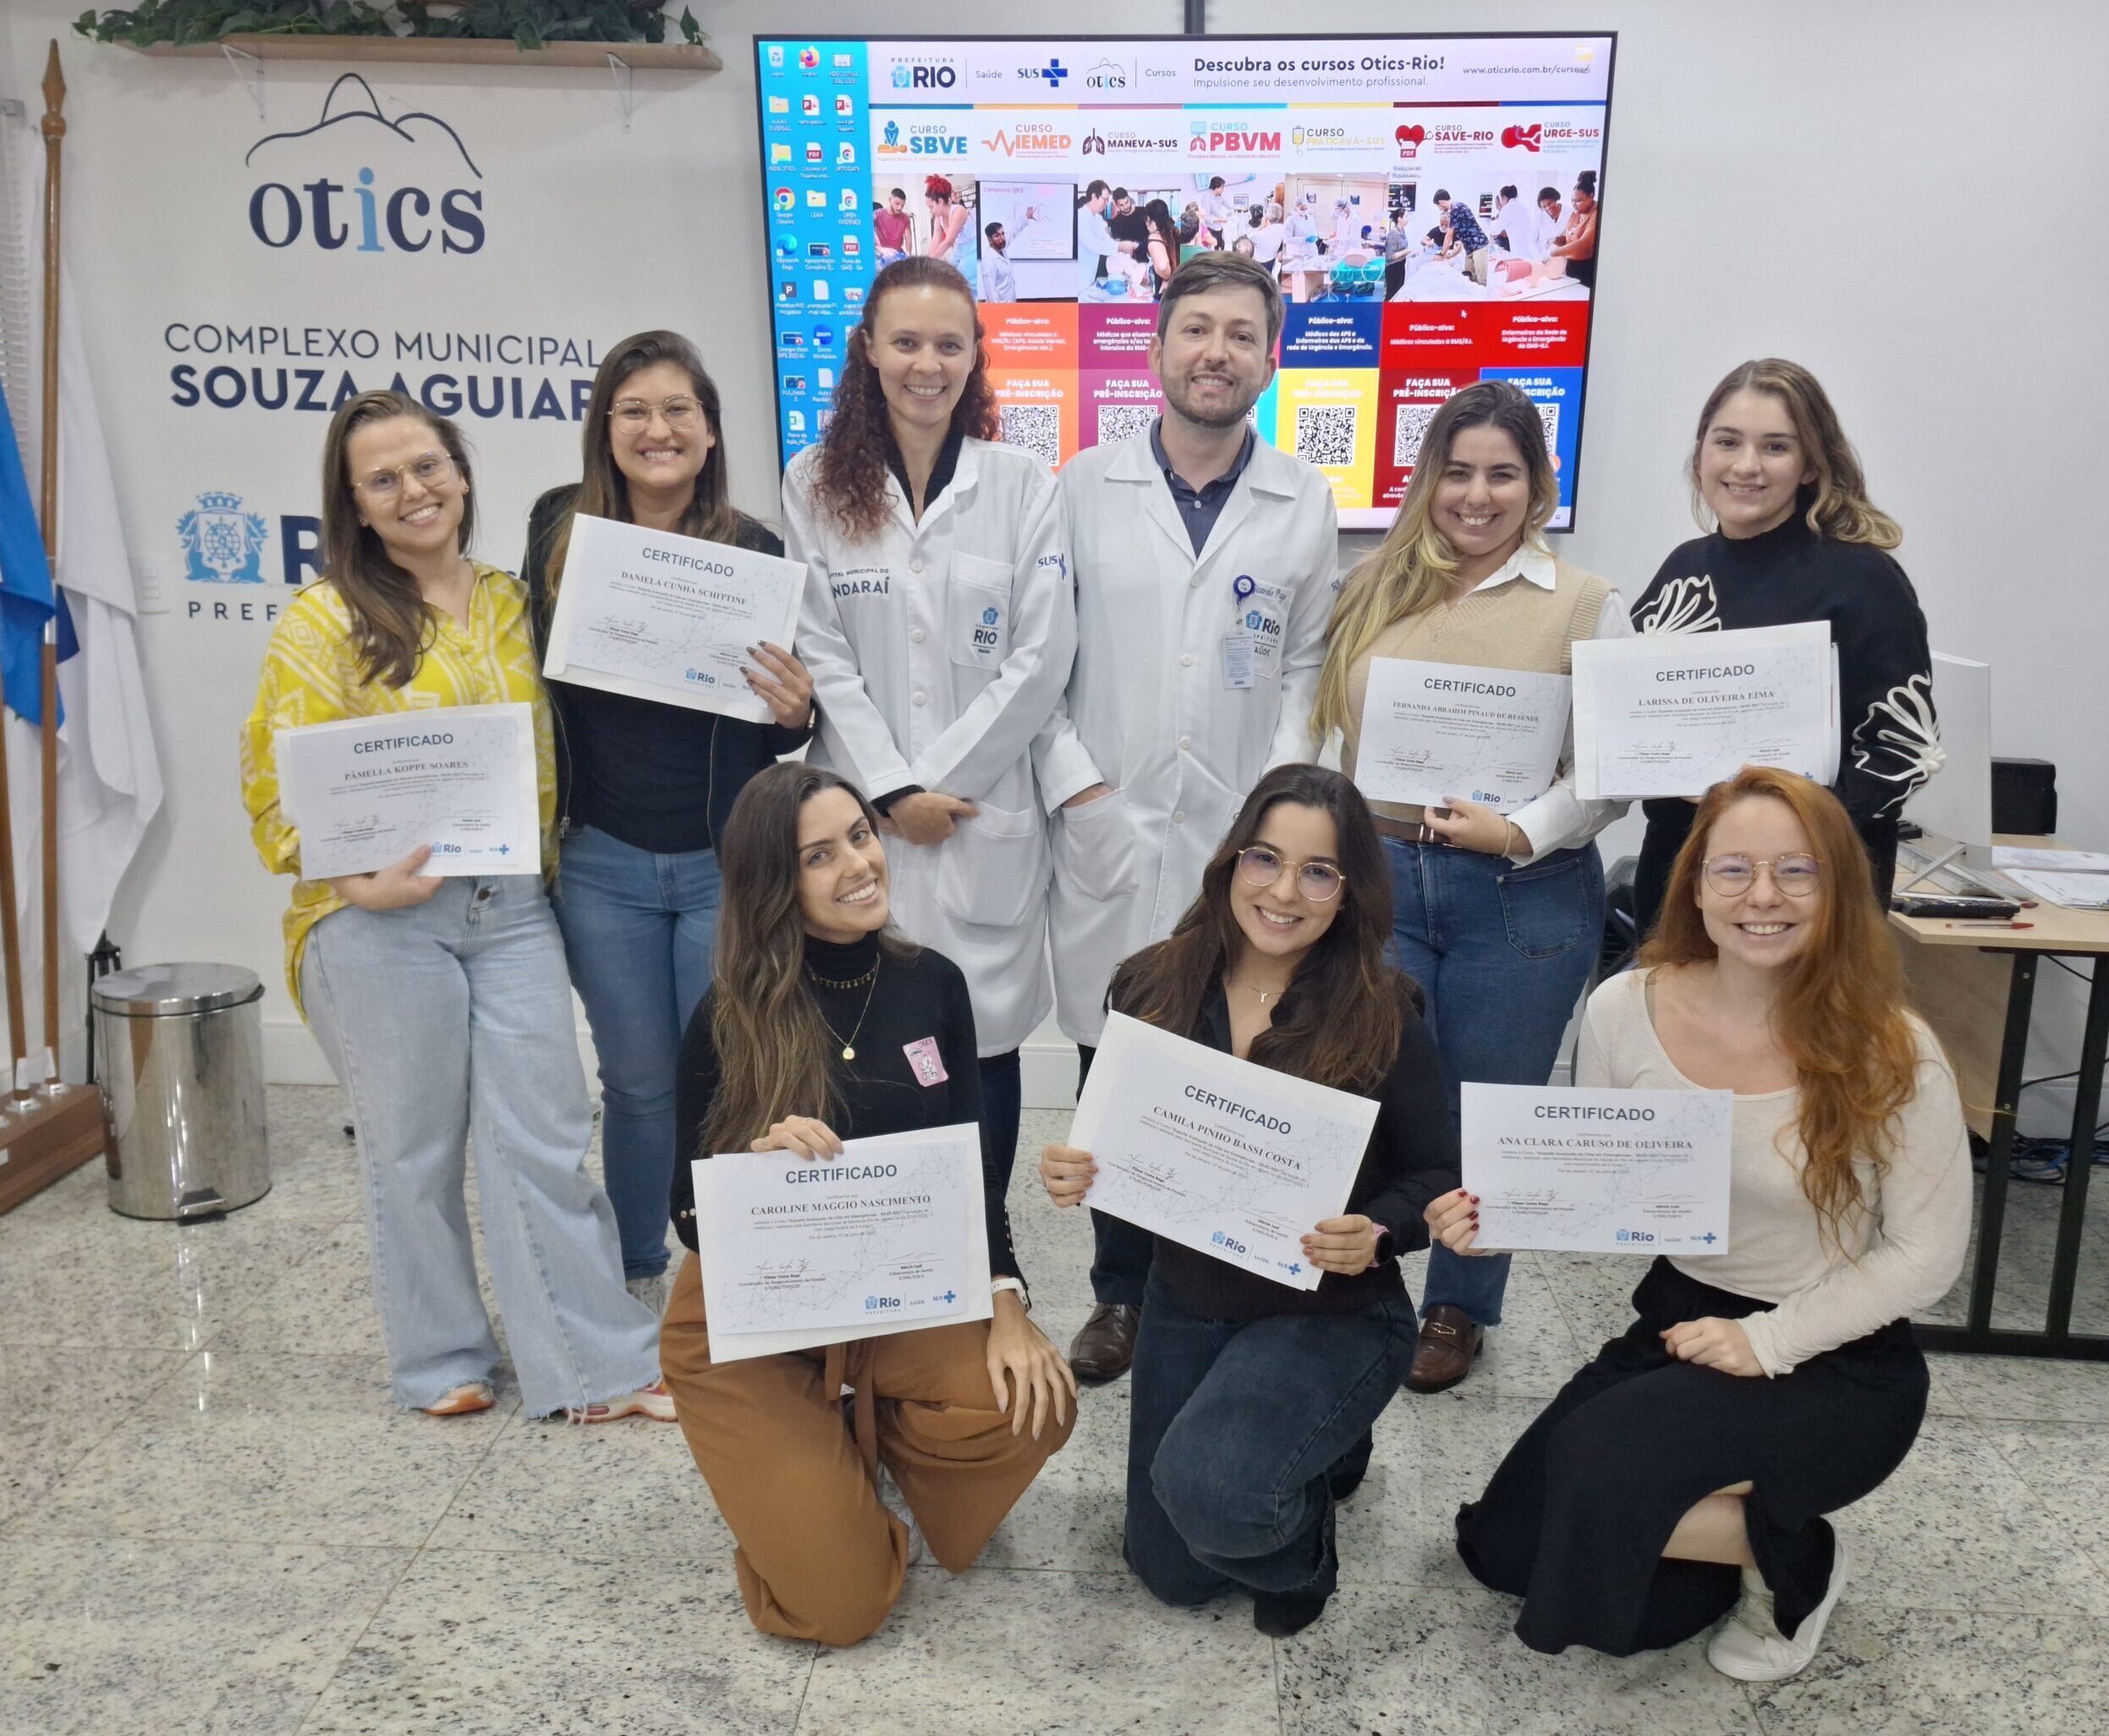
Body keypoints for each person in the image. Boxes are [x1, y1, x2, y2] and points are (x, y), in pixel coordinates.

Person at [1443, 767, 1969, 1677]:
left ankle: (1794, 1563)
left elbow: (1926, 1255)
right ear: (1693, 884)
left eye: (1795, 871)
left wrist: (1766, 1342)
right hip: (1681, 1319)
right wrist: (1505, 1219)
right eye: (1733, 870)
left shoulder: (1894, 1048)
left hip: (1832, 1354)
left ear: (1838, 887)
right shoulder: (1626, 1008)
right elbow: (1604, 1188)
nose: (1761, 896)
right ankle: (1731, 1528)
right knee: (1505, 1551)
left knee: (1600, 1469)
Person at [241, 390, 669, 1423]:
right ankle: (441, 1361)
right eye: (382, 479)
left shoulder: (519, 600)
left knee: (546, 1136)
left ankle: (596, 1365)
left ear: (463, 474)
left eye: (427, 466)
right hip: (379, 923)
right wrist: (349, 878)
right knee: (412, 1148)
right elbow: (274, 785)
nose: (413, 491)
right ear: (353, 503)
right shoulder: (323, 621)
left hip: (515, 907)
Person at [664, 762, 1074, 1645]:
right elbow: (686, 1216)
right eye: (820, 854)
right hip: (754, 1321)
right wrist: (754, 1165)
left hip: (892, 1295)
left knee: (1037, 1399)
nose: (858, 863)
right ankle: (817, 1491)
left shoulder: (933, 984)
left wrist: (1009, 1304)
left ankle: (861, 1429)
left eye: (859, 835)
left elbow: (972, 1167)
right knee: (843, 1607)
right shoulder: (726, 1016)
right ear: (776, 882)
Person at [1040, 765, 1454, 1636]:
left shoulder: (1383, 1011)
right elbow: (1116, 1139)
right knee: (1173, 1574)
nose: (1283, 890)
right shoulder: (1149, 985)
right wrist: (1078, 1171)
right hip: (1189, 1298)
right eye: (1264, 858)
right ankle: (1313, 1447)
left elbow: (1438, 1171)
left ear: (1347, 895)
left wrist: (1378, 1229)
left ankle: (1309, 1542)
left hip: (1329, 1308)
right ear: (1230, 861)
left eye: (1318, 871)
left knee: (1220, 1502)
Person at [1034, 252, 1339, 1382]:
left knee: (1234, 1063)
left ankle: (1213, 1284)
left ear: (1270, 355)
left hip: (1242, 842)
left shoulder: (1301, 501)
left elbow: (1306, 669)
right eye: (1196, 328)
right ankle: (1120, 1292)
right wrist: (1081, 786)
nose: (1217, 351)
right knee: (1114, 1062)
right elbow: (1043, 665)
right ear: (1156, 347)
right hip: (1109, 827)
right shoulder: (1078, 485)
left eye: (1242, 334)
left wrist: (1284, 817)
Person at [1312, 381, 1628, 1394]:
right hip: (1385, 880)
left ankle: (1457, 1304)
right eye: (1457, 472)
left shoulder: (1583, 603)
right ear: (1428, 480)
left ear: (1535, 483)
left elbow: (1611, 772)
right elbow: (1329, 729)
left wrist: (1520, 829)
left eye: (1501, 473)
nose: (1476, 496)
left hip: (1520, 894)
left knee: (1492, 1114)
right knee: (1373, 1090)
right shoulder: (1370, 584)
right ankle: (1353, 1274)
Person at [524, 331, 816, 1305]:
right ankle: (637, 1273)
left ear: (710, 429)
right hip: (601, 862)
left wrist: (795, 714)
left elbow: (775, 738)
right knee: (639, 1083)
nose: (659, 429)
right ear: (604, 428)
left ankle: (733, 1270)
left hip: (718, 868)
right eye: (635, 410)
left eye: (678, 410)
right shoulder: (554, 529)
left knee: (729, 1076)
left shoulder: (756, 551)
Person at [784, 255, 1074, 1230]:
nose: (926, 363)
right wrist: (890, 792)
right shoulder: (815, 484)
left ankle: (986, 1255)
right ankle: (882, 1251)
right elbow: (817, 650)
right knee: (862, 1043)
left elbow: (1040, 659)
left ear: (976, 356)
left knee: (982, 1052)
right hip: (862, 823)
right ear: (868, 348)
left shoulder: (1022, 483)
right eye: (904, 341)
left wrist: (928, 788)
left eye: (949, 344)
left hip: (974, 818)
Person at [1632, 360, 1935, 934]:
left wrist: (1778, 832)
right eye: (1728, 442)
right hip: (1681, 875)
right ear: (1700, 455)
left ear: (1811, 464)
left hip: (1806, 887)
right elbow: (1639, 727)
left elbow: (1902, 750)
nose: (1746, 466)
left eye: (1775, 447)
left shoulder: (1863, 578)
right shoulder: (1682, 570)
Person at [923, 175, 977, 288]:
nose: (931, 211)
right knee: (947, 274)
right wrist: (927, 261)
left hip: (972, 250)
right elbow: (936, 238)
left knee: (963, 280)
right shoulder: (939, 217)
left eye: (931, 207)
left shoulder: (958, 211)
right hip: (959, 249)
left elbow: (948, 242)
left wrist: (930, 261)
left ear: (941, 202)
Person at [1429, 189, 1490, 284]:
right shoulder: (1456, 210)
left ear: (1441, 202)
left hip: (1479, 247)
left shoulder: (1457, 208)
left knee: (1482, 281)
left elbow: (1449, 235)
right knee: (1470, 280)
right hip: (1470, 249)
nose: (1439, 209)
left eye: (1438, 207)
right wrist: (1451, 255)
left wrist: (1442, 254)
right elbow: (1460, 240)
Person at [1077, 179, 1123, 300]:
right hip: (1079, 278)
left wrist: (1120, 249)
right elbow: (1093, 245)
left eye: (1108, 200)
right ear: (1093, 196)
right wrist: (1120, 246)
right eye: (1105, 199)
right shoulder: (1080, 217)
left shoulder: (1097, 219)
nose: (1107, 203)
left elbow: (1107, 240)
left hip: (1090, 277)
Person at [1557, 173, 1599, 289]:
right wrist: (1554, 239)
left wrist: (1553, 253)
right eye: (1572, 200)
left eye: (1578, 200)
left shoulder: (1597, 214)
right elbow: (1567, 239)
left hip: (1586, 268)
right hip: (1570, 266)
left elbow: (1584, 243)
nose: (1574, 204)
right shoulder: (1576, 213)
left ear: (1591, 196)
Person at [1491, 183, 1538, 262]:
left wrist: (1487, 227)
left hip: (1519, 249)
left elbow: (1495, 230)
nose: (1500, 203)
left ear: (1505, 197)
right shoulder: (1523, 207)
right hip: (1529, 248)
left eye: (1500, 199)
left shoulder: (1507, 208)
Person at [1142, 197, 1180, 290]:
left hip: (1163, 290)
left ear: (1148, 218)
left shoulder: (1154, 238)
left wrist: (1167, 278)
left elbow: (1162, 266)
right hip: (1177, 285)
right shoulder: (1173, 230)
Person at [980, 219, 1019, 305]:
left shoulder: (1001, 248)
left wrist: (1026, 217)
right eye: (997, 236)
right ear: (990, 239)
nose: (1002, 238)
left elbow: (1013, 233)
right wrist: (999, 313)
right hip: (1001, 309)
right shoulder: (988, 262)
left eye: (1003, 234)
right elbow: (991, 294)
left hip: (1011, 304)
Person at [873, 188, 914, 266]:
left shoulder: (905, 218)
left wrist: (908, 253)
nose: (900, 208)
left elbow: (908, 238)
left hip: (898, 255)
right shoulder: (877, 214)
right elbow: (866, 234)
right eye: (897, 204)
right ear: (890, 200)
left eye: (902, 205)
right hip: (882, 254)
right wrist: (879, 248)